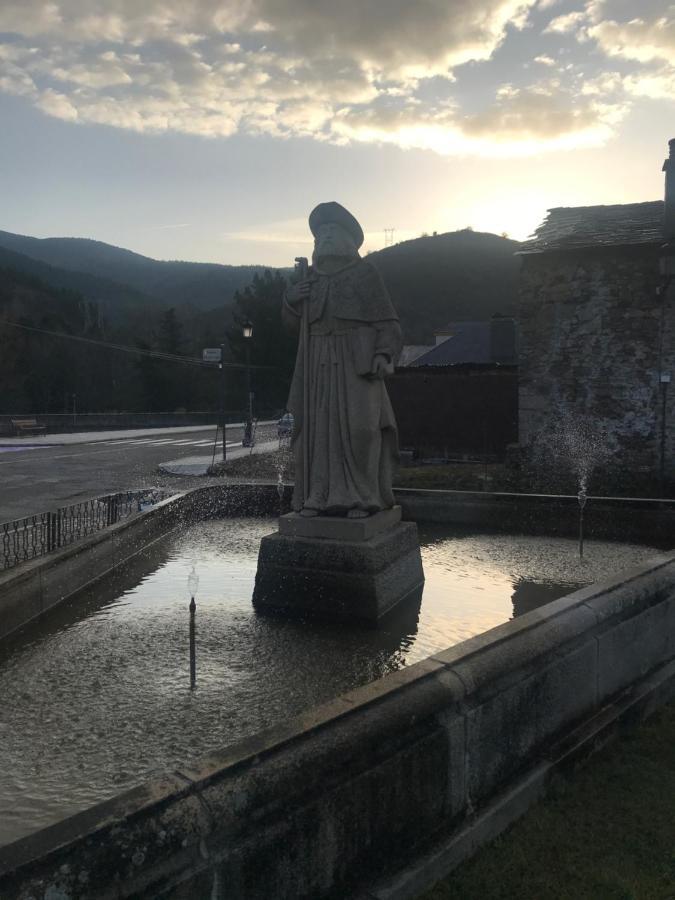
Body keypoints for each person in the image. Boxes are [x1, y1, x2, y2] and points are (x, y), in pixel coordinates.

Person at [283, 201, 402, 518]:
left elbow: (388, 322)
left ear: (349, 239)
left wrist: (384, 353)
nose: (324, 238)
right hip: (317, 360)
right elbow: (294, 326)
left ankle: (364, 497)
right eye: (319, 234)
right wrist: (292, 300)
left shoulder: (364, 273)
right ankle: (316, 496)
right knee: (317, 430)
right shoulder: (310, 279)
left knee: (361, 429)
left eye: (332, 231)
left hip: (356, 360)